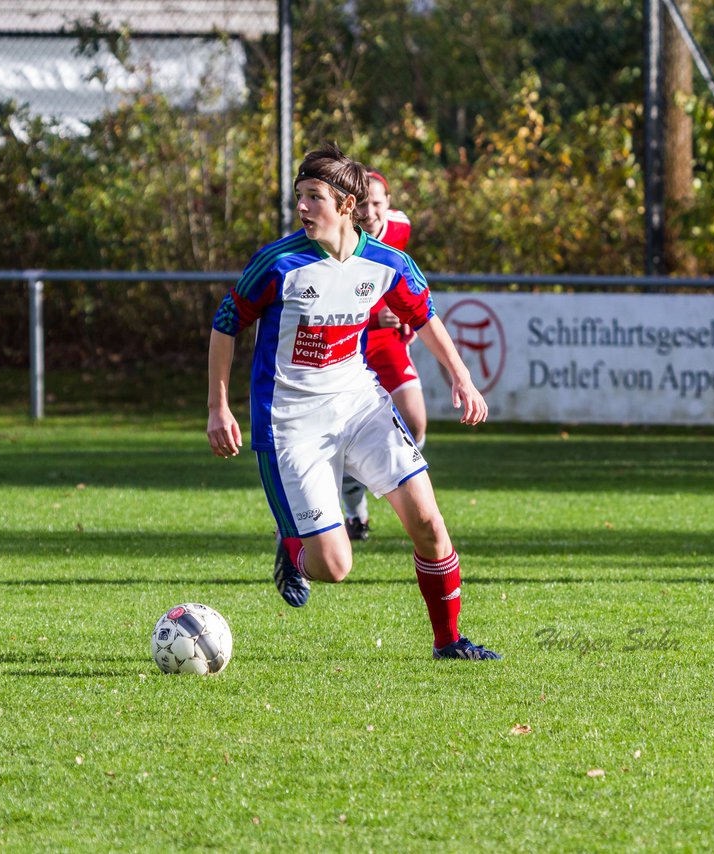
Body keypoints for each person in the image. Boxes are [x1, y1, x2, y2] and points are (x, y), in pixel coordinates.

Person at [207, 142, 500, 661]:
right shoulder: (279, 262)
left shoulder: (387, 263)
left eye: (313, 197)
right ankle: (294, 546)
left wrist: (462, 378)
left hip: (359, 404)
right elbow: (226, 321)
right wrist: (218, 406)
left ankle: (448, 641)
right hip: (289, 423)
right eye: (299, 196)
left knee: (430, 523)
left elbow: (425, 315)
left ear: (346, 205)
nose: (301, 208)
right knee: (335, 566)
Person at [341, 169, 427, 541]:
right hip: (350, 339)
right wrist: (377, 313)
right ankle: (354, 505)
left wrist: (405, 315)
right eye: (362, 203)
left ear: (389, 205)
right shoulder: (339, 237)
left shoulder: (400, 228)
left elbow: (403, 279)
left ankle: (386, 477)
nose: (370, 210)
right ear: (349, 206)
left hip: (387, 342)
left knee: (415, 421)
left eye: (377, 202)